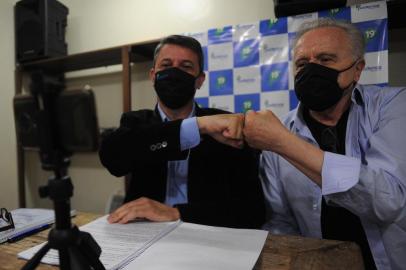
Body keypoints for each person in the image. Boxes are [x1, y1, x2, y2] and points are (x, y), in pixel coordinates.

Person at [237, 18, 405, 270]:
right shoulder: (279, 132)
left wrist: (284, 143)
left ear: (357, 69)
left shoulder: (391, 105)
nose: (312, 70)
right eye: (303, 63)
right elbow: (281, 222)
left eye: (326, 60)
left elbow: (387, 202)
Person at [99, 35, 265, 229]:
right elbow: (112, 157)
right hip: (143, 235)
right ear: (153, 76)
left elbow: (252, 211)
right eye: (166, 65)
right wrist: (197, 127)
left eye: (186, 67)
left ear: (200, 80)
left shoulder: (226, 126)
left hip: (205, 235)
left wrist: (176, 213)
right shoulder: (136, 122)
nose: (174, 72)